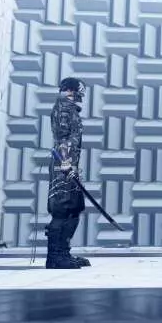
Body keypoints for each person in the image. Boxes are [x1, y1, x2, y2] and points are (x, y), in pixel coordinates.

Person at [46, 77, 90, 269]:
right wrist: (66, 162)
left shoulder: (70, 108)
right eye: (80, 91)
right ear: (72, 90)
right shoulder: (64, 108)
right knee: (62, 209)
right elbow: (62, 138)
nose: (82, 95)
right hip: (63, 166)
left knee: (74, 207)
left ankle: (64, 252)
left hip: (69, 165)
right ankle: (55, 257)